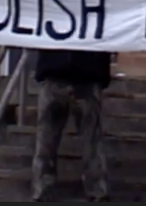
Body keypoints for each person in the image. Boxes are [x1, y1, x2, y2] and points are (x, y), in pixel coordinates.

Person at [31, 47, 111, 202]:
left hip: (56, 69)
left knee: (46, 141)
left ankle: (42, 190)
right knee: (91, 141)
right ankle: (97, 190)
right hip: (87, 71)